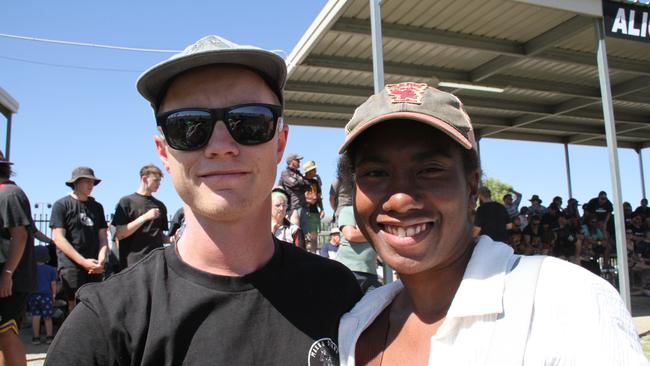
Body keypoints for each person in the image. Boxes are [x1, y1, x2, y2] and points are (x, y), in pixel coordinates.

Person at [46, 35, 361, 365]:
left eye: (250, 122)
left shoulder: (340, 294)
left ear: (280, 143)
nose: (221, 145)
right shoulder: (105, 327)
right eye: (188, 126)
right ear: (164, 153)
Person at [334, 82, 646, 365]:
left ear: (472, 189)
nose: (400, 200)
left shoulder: (566, 303)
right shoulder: (359, 322)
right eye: (376, 172)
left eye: (429, 170)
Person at [50, 166, 108, 313]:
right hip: (72, 265)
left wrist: (101, 259)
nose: (90, 185)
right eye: (86, 181)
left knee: (94, 305)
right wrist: (83, 262)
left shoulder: (97, 207)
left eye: (92, 182)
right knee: (74, 306)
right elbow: (59, 239)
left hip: (94, 265)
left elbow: (103, 237)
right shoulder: (62, 205)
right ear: (75, 183)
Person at [0, 151, 36, 366]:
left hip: (11, 279)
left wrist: (7, 274)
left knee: (6, 334)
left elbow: (19, 235)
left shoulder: (10, 194)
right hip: (7, 277)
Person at [111, 164, 169, 270]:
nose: (159, 184)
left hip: (156, 264)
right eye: (156, 180)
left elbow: (160, 236)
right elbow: (120, 234)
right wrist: (144, 217)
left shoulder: (160, 206)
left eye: (160, 181)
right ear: (145, 179)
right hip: (132, 265)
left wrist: (174, 239)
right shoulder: (126, 202)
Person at [337, 205, 381, 294]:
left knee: (376, 305)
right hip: (349, 271)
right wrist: (377, 232)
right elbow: (351, 235)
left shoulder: (377, 215)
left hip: (371, 272)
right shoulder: (348, 210)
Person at [28, 245, 57, 345]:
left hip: (33, 296)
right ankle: (49, 337)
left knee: (35, 316)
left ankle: (36, 338)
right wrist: (53, 295)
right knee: (48, 317)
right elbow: (53, 284)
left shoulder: (30, 269)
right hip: (46, 296)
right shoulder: (51, 269)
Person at [279, 152, 311, 229]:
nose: (299, 162)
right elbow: (294, 184)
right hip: (292, 208)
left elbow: (307, 185)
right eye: (297, 160)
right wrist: (301, 184)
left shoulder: (299, 174)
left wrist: (301, 184)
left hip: (303, 206)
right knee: (295, 232)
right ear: (292, 161)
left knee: (305, 234)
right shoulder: (285, 173)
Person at [303, 160, 325, 253]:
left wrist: (322, 208)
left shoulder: (315, 182)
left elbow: (319, 196)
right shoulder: (301, 181)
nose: (315, 171)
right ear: (309, 171)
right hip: (305, 210)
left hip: (314, 211)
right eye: (313, 169)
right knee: (303, 234)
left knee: (314, 236)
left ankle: (313, 253)